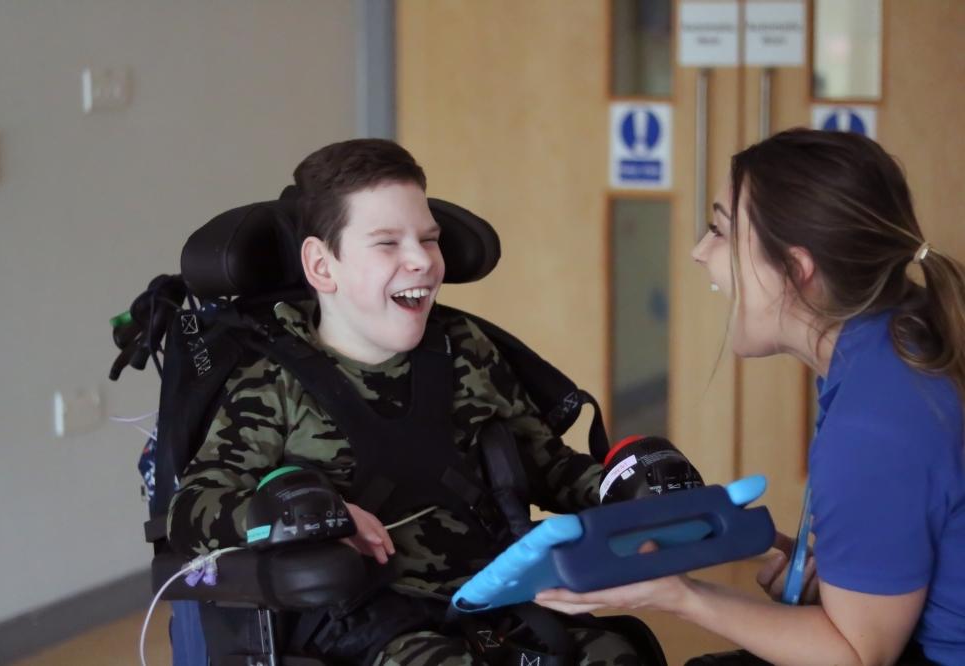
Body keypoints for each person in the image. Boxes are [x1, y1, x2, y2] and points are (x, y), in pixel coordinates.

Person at [166, 139, 642, 664]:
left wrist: (629, 486)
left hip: (496, 599)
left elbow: (548, 465)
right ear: (323, 267)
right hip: (370, 622)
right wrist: (300, 514)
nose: (421, 260)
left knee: (619, 653)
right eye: (388, 243)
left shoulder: (464, 349)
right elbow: (191, 508)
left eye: (429, 239)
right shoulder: (272, 384)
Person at [536, 128, 965, 665]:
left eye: (718, 230)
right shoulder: (901, 341)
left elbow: (856, 658)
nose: (698, 252)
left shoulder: (875, 421)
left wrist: (677, 594)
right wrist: (841, 582)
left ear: (796, 269)